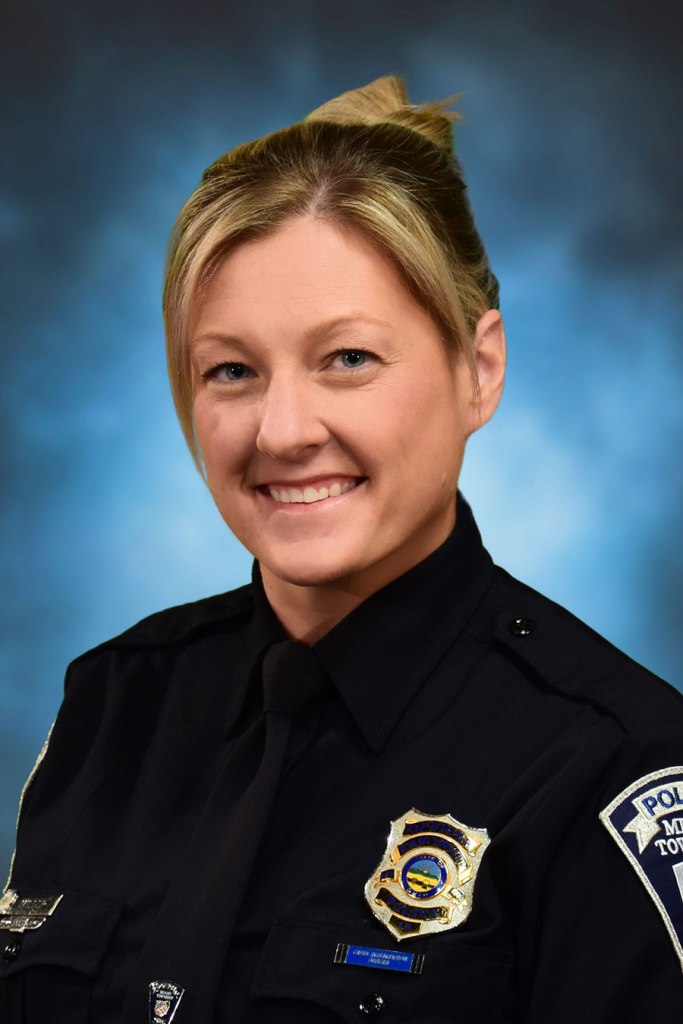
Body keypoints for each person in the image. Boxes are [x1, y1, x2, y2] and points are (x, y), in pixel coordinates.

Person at [1, 75, 682, 1023]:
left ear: (477, 369)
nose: (281, 431)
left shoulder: (609, 763)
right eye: (231, 370)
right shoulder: (112, 707)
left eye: (347, 358)